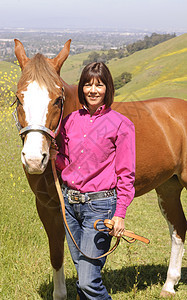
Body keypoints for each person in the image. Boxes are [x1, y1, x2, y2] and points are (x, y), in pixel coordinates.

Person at [55, 62, 135, 300]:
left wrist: (119, 213)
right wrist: (53, 157)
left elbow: (126, 173)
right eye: (88, 84)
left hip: (99, 208)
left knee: (89, 281)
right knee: (82, 275)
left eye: (99, 85)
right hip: (70, 206)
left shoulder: (121, 124)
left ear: (107, 88)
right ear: (81, 88)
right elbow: (63, 158)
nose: (93, 90)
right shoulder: (69, 121)